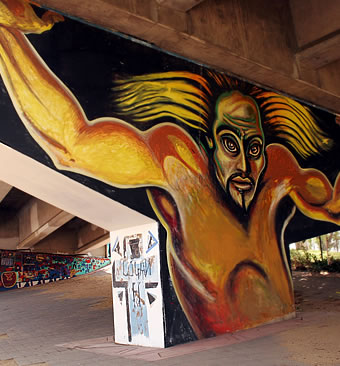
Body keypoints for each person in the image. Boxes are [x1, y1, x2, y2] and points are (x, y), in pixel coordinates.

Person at [0, 0, 339, 338]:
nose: (246, 166)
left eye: (253, 149)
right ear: (208, 142)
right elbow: (72, 144)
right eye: (230, 145)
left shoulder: (277, 170)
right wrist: (10, 36)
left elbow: (330, 202)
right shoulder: (179, 164)